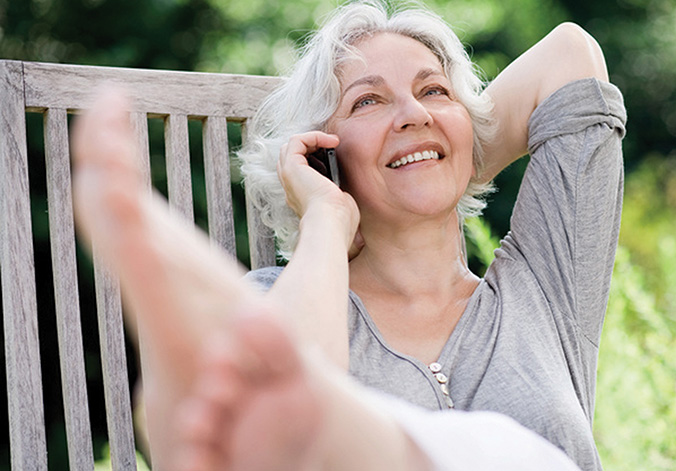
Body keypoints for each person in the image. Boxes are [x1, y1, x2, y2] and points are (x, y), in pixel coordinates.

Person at [71, 0, 625, 469]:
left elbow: (570, 56)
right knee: (275, 379)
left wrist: (445, 154)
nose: (412, 112)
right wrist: (328, 218)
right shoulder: (283, 300)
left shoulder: (546, 285)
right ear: (320, 156)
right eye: (368, 100)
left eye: (433, 91)